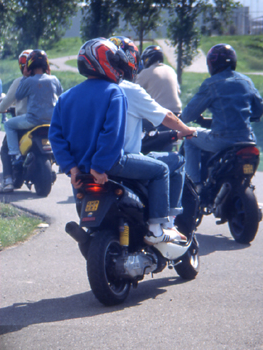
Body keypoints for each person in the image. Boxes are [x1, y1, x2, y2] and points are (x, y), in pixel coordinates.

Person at [48, 38, 183, 245]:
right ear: (103, 62)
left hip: (80, 173)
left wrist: (72, 169)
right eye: (116, 62)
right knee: (162, 170)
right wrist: (98, 167)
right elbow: (112, 134)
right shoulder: (115, 92)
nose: (119, 69)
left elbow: (55, 136)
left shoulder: (66, 97)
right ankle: (157, 228)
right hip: (111, 165)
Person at [110, 36, 196, 233]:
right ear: (131, 60)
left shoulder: (93, 90)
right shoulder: (131, 89)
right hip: (127, 155)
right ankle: (164, 223)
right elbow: (165, 115)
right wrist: (186, 130)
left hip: (93, 162)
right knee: (170, 164)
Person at [180, 43, 263, 188]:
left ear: (212, 63)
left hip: (222, 141)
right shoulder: (246, 81)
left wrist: (177, 120)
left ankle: (195, 186)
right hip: (248, 140)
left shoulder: (211, 84)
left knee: (190, 137)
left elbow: (189, 114)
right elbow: (260, 110)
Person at [6, 49, 62, 163]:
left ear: (29, 64)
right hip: (51, 121)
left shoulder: (29, 81)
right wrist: (49, 75)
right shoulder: (54, 79)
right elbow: (60, 92)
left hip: (33, 120)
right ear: (46, 64)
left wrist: (24, 77)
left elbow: (19, 95)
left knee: (8, 125)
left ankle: (15, 154)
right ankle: (60, 156)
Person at [0, 49, 32, 193]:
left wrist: (1, 109)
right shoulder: (47, 80)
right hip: (46, 122)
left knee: (5, 150)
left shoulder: (20, 82)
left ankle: (8, 180)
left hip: (25, 122)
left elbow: (7, 101)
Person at [136, 45, 182, 121]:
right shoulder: (170, 70)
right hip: (177, 114)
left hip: (160, 115)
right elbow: (178, 92)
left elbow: (135, 93)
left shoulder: (145, 73)